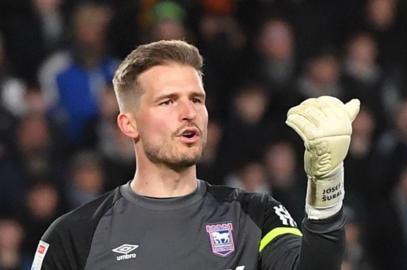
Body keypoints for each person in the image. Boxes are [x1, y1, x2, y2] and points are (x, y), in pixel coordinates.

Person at [31, 40, 360, 270]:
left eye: (197, 99)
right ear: (128, 124)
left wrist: (327, 182)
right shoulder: (74, 235)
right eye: (168, 101)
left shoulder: (256, 215)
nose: (189, 112)